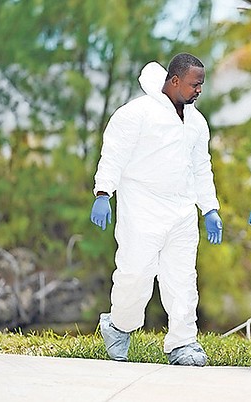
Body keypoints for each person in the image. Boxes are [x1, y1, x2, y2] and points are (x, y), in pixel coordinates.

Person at [90, 53, 223, 366]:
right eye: (194, 84)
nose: (199, 90)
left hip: (182, 208)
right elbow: (113, 154)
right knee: (135, 273)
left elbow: (201, 168)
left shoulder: (196, 122)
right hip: (141, 204)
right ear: (174, 80)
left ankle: (183, 343)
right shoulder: (137, 112)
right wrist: (103, 192)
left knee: (182, 279)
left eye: (201, 85)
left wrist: (210, 209)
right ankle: (118, 327)